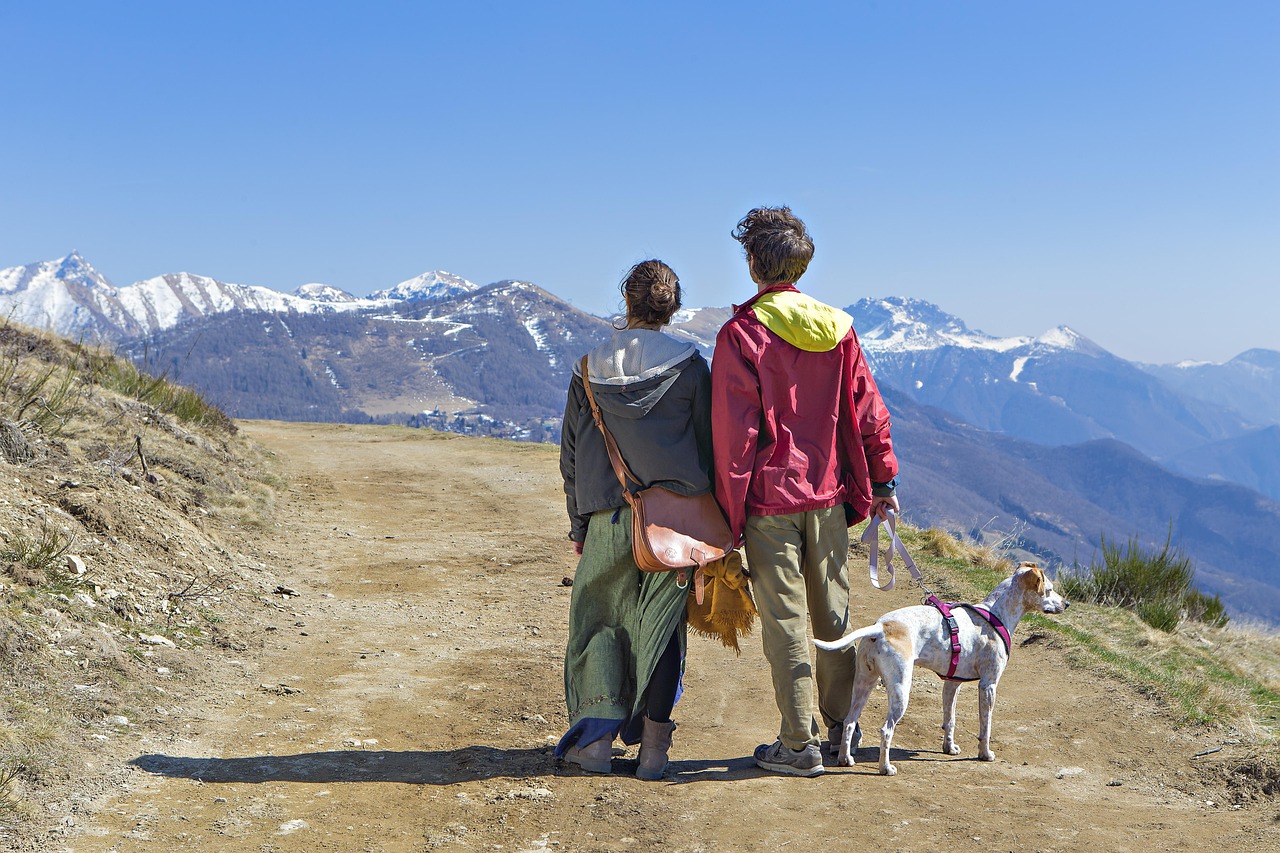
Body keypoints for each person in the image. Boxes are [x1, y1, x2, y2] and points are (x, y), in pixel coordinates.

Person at [711, 206, 900, 777]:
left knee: (786, 623)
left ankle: (798, 745)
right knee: (834, 616)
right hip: (831, 497)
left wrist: (728, 515)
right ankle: (843, 729)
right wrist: (884, 479)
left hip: (771, 502)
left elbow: (734, 437)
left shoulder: (742, 334)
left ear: (752, 264)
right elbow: (869, 412)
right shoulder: (838, 329)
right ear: (803, 261)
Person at [555, 259, 714, 780]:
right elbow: (709, 448)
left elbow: (573, 455)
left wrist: (580, 525)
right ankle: (654, 750)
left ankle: (596, 746)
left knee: (600, 624)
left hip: (606, 517)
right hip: (675, 525)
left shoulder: (589, 366)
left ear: (627, 301)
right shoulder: (691, 365)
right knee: (663, 631)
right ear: (673, 306)